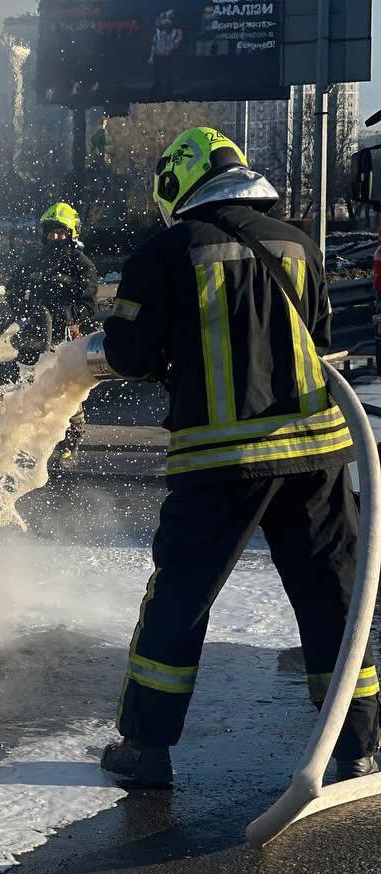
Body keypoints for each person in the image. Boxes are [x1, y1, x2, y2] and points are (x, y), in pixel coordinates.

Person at [91, 126, 380, 787]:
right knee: (335, 596)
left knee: (181, 600)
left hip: (219, 464)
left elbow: (128, 356)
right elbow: (323, 342)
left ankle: (146, 747)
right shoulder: (300, 244)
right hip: (317, 457)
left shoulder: (167, 252)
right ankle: (357, 743)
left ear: (179, 183)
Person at [7, 201, 98, 457]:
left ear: (71, 234)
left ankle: (69, 439)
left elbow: (88, 304)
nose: (55, 237)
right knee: (28, 384)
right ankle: (27, 440)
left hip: (67, 338)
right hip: (35, 335)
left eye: (60, 232)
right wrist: (21, 306)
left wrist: (65, 315)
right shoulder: (35, 262)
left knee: (65, 390)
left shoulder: (81, 264)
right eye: (51, 232)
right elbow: (13, 287)